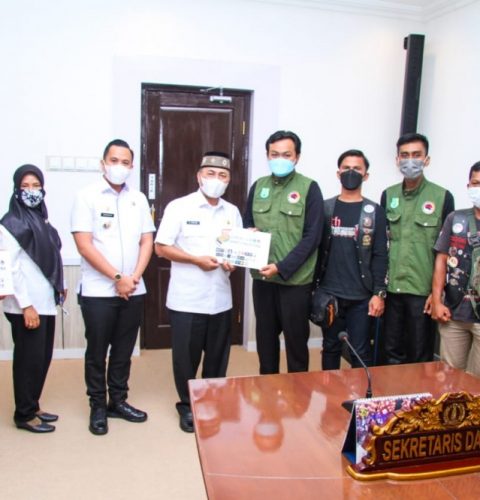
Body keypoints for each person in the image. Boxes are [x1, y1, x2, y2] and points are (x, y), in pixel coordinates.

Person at [71, 139, 155, 435]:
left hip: (134, 289)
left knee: (123, 350)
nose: (119, 166)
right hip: (98, 291)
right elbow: (84, 245)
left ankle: (117, 401)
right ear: (103, 163)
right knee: (97, 351)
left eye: (125, 162)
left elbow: (147, 240)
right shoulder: (86, 196)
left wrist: (133, 277)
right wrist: (117, 277)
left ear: (132, 166)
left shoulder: (139, 199)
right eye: (114, 160)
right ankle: (97, 405)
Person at [155, 152, 242, 433]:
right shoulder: (179, 207)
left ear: (228, 180)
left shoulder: (232, 212)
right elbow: (161, 247)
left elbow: (236, 252)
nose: (216, 180)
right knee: (186, 359)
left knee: (217, 358)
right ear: (199, 176)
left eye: (222, 175)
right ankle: (187, 405)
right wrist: (195, 260)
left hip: (220, 299)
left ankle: (211, 402)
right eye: (210, 174)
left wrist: (233, 261)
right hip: (187, 299)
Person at [244, 130, 324, 374]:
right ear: (267, 155)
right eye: (274, 154)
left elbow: (313, 237)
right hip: (263, 279)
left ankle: (297, 395)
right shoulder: (258, 187)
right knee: (265, 343)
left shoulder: (309, 188)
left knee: (296, 345)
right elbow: (248, 224)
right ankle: (267, 391)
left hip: (295, 282)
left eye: (286, 154)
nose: (280, 159)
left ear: (297, 156)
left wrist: (282, 267)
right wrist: (248, 235)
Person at [0, 164, 64, 433]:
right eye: (25, 186)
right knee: (28, 361)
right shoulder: (11, 224)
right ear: (16, 190)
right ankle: (24, 415)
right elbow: (11, 268)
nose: (31, 191)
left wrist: (58, 286)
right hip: (26, 306)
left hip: (45, 302)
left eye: (36, 186)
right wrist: (26, 305)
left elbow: (50, 257)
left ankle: (33, 405)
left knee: (41, 358)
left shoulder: (42, 220)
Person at [381, 132, 454, 364]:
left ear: (426, 159)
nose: (410, 160)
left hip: (422, 292)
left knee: (419, 356)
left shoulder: (442, 197)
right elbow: (382, 244)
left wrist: (437, 294)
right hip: (392, 290)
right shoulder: (388, 195)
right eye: (404, 155)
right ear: (397, 160)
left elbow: (446, 251)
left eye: (416, 155)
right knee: (390, 353)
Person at [316, 150, 388, 370]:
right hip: (330, 294)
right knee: (330, 347)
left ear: (366, 175)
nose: (351, 172)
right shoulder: (325, 208)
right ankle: (330, 390)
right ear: (338, 173)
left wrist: (379, 293)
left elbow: (380, 255)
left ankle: (362, 393)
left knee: (361, 351)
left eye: (357, 169)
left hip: (361, 296)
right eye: (346, 168)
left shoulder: (374, 212)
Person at [431, 161, 480, 377]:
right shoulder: (456, 219)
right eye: (476, 183)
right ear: (468, 186)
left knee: (476, 382)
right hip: (454, 311)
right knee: (449, 377)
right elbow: (441, 260)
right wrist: (437, 301)